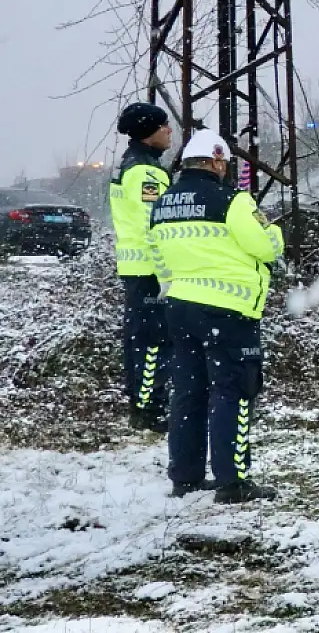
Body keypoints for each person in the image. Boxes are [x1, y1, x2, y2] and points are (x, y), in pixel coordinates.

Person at [148, 131, 284, 504]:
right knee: (233, 392)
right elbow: (265, 247)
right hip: (228, 310)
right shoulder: (234, 200)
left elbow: (157, 258)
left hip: (179, 307)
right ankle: (232, 481)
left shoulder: (163, 204)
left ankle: (186, 478)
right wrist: (271, 228)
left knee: (189, 392)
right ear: (217, 162)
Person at [110, 102, 174, 433]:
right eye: (164, 126)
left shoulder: (130, 164)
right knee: (154, 341)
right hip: (150, 269)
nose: (170, 132)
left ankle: (142, 403)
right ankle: (151, 409)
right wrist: (167, 274)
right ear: (149, 132)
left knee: (140, 338)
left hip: (136, 267)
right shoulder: (146, 173)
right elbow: (156, 226)